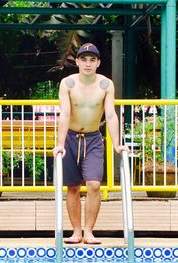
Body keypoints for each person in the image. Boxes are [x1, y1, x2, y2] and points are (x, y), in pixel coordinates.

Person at [53, 43, 127, 245]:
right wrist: (60, 144)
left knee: (94, 185)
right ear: (76, 61)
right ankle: (76, 232)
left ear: (98, 63)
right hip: (70, 137)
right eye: (83, 59)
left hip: (94, 139)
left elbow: (111, 115)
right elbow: (65, 113)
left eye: (92, 60)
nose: (88, 64)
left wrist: (117, 144)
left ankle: (89, 232)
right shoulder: (67, 83)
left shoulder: (105, 84)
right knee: (73, 187)